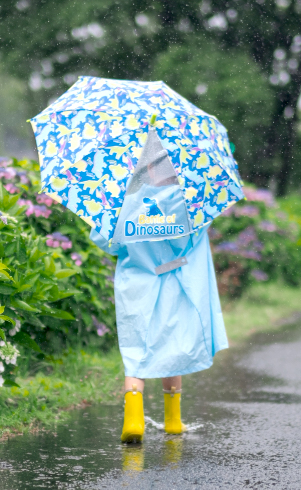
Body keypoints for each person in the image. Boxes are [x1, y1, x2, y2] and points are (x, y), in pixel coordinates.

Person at [90, 127, 228, 442]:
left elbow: (107, 242)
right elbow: (198, 240)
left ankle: (133, 420)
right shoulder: (192, 202)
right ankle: (173, 420)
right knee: (172, 347)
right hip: (178, 284)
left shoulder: (128, 200)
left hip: (137, 284)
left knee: (136, 350)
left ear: (145, 164)